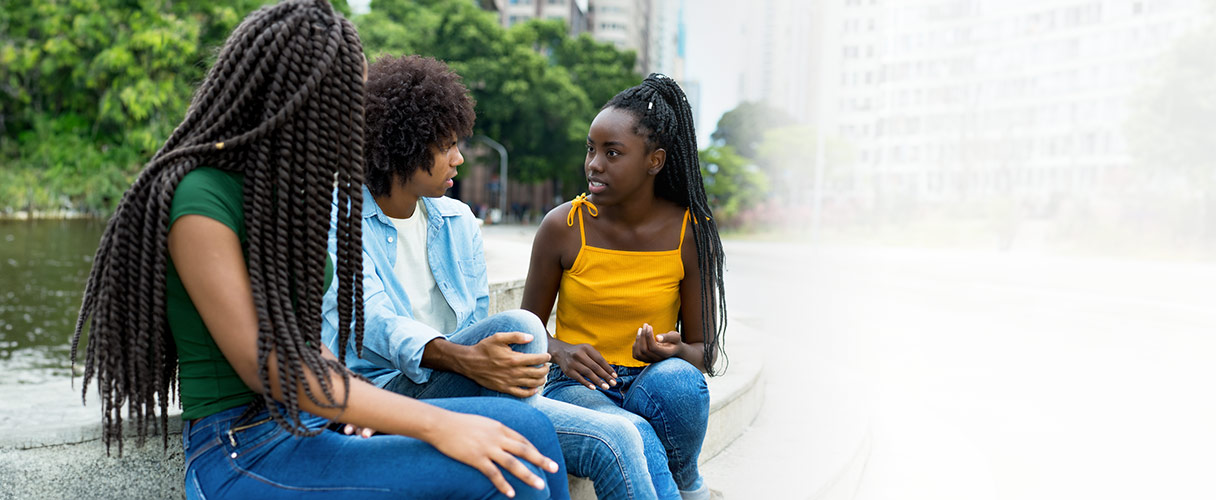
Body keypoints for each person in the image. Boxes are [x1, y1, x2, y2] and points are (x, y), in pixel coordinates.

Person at [68, 2, 565, 498]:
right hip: (243, 449)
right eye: (346, 104)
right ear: (293, 101)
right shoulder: (201, 196)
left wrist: (357, 409)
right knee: (508, 456)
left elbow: (310, 345)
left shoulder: (284, 198)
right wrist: (435, 424)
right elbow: (271, 367)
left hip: (312, 424)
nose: (357, 123)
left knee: (530, 432)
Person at [323, 54, 677, 500]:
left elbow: (473, 325)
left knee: (622, 436)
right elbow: (372, 320)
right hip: (376, 395)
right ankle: (528, 418)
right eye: (446, 145)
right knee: (524, 326)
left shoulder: (458, 222)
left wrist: (477, 364)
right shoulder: (339, 217)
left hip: (463, 388)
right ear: (403, 144)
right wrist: (461, 358)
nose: (459, 158)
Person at [521, 74, 727, 500]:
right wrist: (559, 349)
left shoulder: (691, 232)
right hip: (577, 386)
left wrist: (671, 352)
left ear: (654, 161)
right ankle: (691, 493)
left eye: (612, 153)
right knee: (629, 431)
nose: (594, 164)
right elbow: (524, 331)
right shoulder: (564, 226)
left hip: (653, 384)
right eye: (591, 149)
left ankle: (685, 480)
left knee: (682, 383)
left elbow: (704, 352)